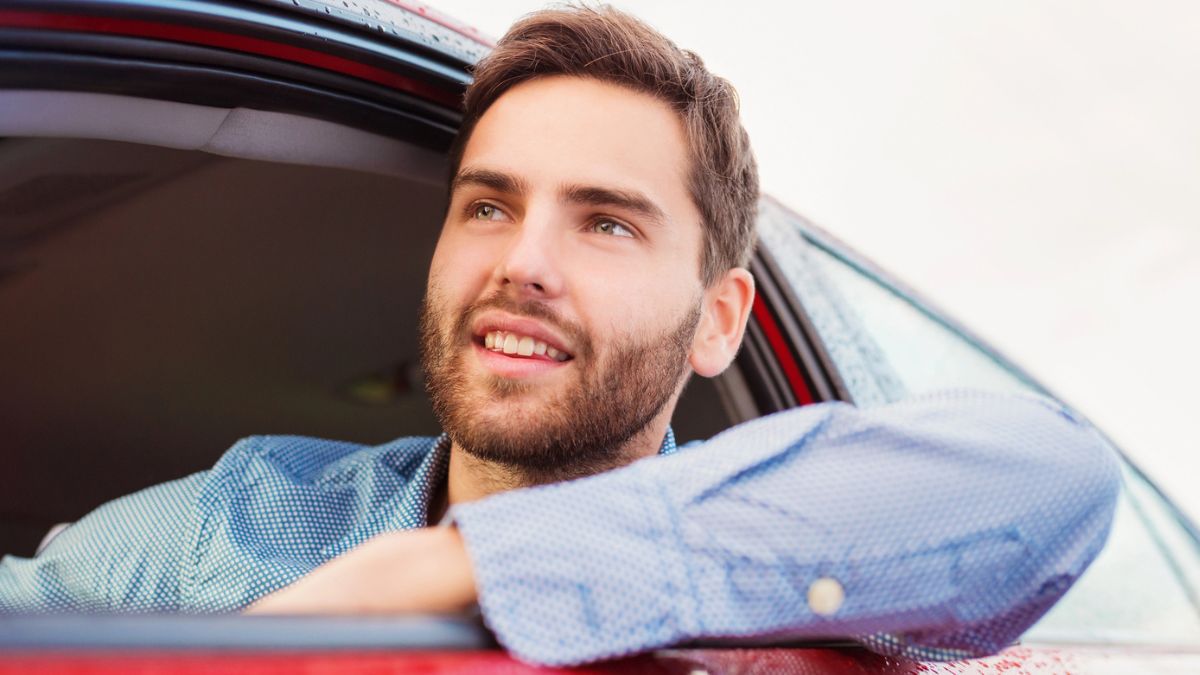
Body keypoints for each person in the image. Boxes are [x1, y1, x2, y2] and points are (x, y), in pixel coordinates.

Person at [0, 5, 1119, 667]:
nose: (522, 262)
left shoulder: (805, 566)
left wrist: (448, 569)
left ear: (717, 321)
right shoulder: (237, 523)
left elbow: (1053, 475)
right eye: (489, 206)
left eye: (607, 222)